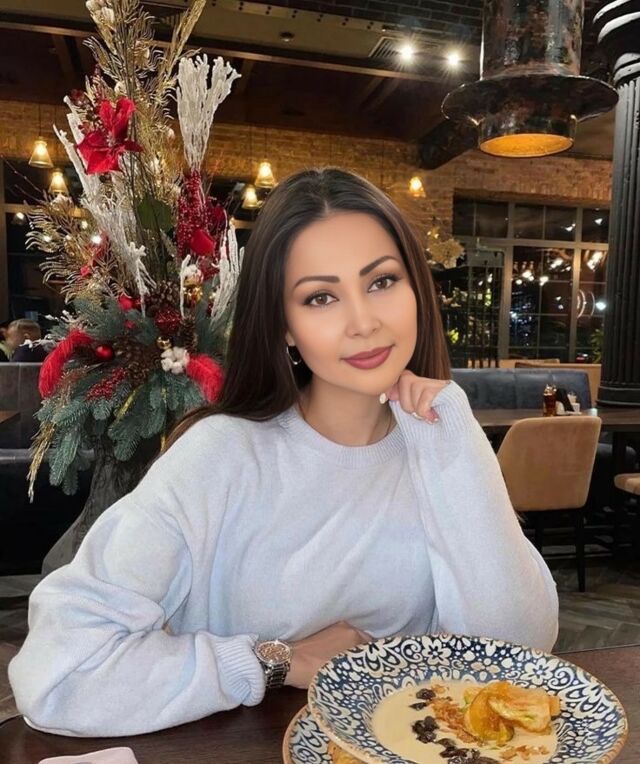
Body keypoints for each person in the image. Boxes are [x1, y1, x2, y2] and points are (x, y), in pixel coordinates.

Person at [9, 168, 559, 738]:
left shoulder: (440, 448)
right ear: (286, 326)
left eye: (382, 282)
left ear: (417, 290)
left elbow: (518, 655)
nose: (363, 322)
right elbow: (57, 674)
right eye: (321, 297)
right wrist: (275, 661)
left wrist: (455, 439)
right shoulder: (222, 456)